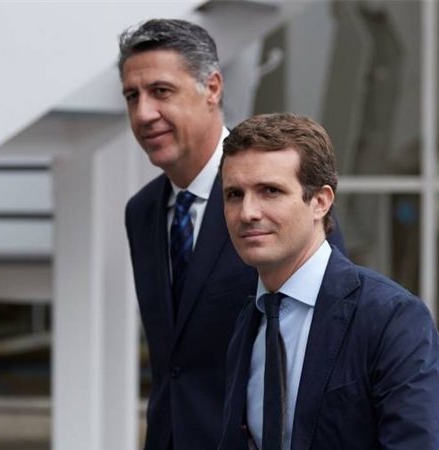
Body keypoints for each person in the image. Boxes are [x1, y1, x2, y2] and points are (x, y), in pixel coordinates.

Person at [119, 20, 345, 450]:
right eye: (133, 96)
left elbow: (329, 348)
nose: (144, 113)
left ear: (213, 88)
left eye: (161, 91)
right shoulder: (142, 213)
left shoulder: (286, 196)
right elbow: (173, 366)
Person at [218, 113, 439, 450]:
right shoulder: (248, 321)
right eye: (234, 195)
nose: (248, 212)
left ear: (320, 202)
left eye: (270, 191)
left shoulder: (391, 318)